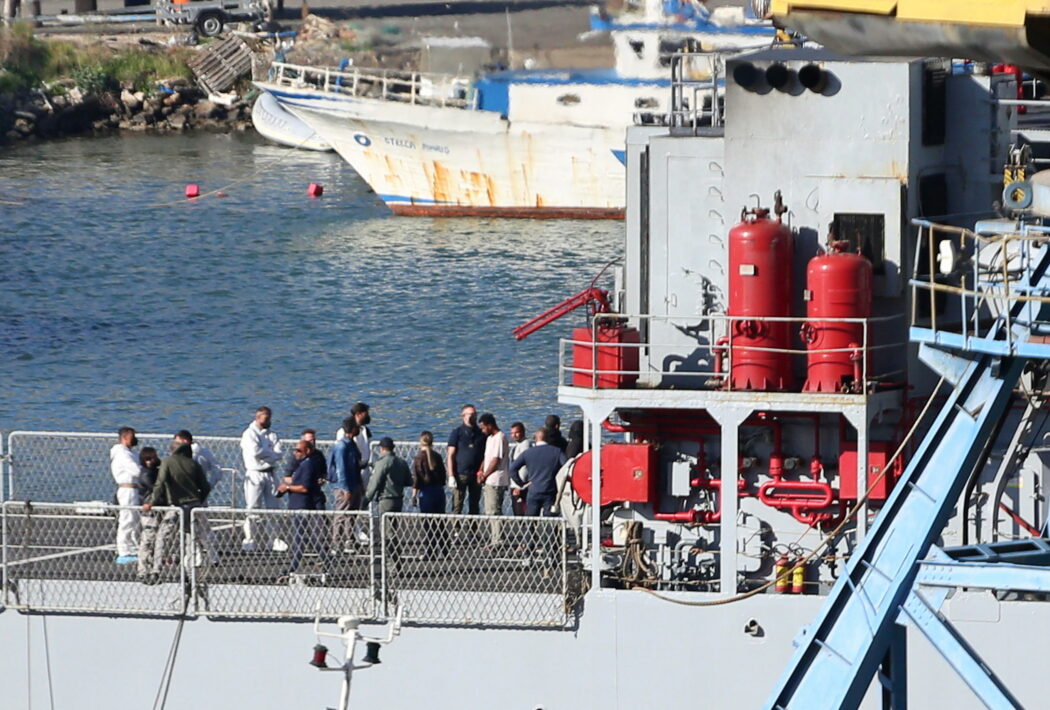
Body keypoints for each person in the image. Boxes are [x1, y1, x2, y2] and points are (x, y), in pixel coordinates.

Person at [143, 433, 212, 582]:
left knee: (163, 536)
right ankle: (188, 572)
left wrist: (152, 502)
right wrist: (199, 499)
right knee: (189, 537)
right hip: (193, 505)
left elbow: (159, 484)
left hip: (176, 505)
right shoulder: (194, 464)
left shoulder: (167, 462)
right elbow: (205, 487)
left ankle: (156, 570)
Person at [279, 439, 329, 578]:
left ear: (307, 451)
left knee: (301, 538)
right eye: (295, 450)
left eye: (299, 450)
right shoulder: (302, 464)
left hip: (302, 505)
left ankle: (294, 567)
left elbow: (304, 487)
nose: (295, 453)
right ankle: (322, 563)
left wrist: (287, 487)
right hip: (299, 505)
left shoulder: (308, 465)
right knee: (303, 538)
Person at [240, 406, 285, 552]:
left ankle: (274, 539)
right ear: (258, 417)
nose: (268, 421)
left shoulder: (272, 435)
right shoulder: (249, 434)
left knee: (274, 507)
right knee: (252, 507)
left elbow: (279, 453)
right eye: (266, 419)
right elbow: (255, 452)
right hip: (254, 473)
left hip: (271, 473)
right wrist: (271, 455)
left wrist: (269, 455)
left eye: (269, 418)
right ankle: (249, 539)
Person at [510, 427, 567, 518]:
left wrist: (521, 484)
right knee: (550, 520)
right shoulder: (556, 452)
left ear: (536, 439)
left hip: (533, 490)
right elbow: (567, 467)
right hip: (550, 490)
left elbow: (513, 469)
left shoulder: (528, 453)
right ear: (548, 438)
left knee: (530, 519)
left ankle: (531, 531)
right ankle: (550, 532)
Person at [328, 417, 363, 551]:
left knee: (352, 513)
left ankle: (349, 540)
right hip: (344, 486)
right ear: (353, 429)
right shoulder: (342, 446)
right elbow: (341, 469)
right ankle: (336, 542)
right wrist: (345, 488)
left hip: (354, 483)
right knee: (341, 513)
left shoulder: (351, 444)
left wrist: (359, 484)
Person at [110, 426, 143, 564]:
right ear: (124, 438)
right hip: (127, 489)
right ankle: (123, 550)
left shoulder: (131, 453)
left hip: (135, 489)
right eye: (132, 437)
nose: (134, 439)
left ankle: (134, 547)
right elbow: (136, 471)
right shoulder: (122, 454)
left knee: (135, 520)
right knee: (127, 519)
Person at [447, 404, 486, 514]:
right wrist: (450, 475)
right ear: (463, 415)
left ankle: (472, 530)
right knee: (457, 504)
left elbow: (485, 454)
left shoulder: (481, 434)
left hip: (476, 474)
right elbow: (450, 455)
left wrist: (482, 470)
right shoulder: (457, 432)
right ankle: (456, 530)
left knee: (474, 505)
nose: (473, 417)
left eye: (475, 414)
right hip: (460, 474)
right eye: (471, 414)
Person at [477, 413, 510, 545]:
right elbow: (487, 458)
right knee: (489, 510)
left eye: (483, 427)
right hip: (489, 479)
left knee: (494, 509)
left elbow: (496, 460)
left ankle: (497, 539)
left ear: (490, 425)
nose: (482, 430)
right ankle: (494, 537)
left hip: (496, 479)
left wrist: (485, 475)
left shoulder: (499, 438)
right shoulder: (490, 438)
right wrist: (480, 470)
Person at [364, 437, 412, 515]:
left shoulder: (382, 463)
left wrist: (365, 501)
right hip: (399, 500)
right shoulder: (402, 462)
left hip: (386, 500)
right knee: (395, 525)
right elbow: (409, 481)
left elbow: (375, 483)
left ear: (382, 448)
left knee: (385, 525)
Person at [135, 447, 162, 580]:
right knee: (148, 538)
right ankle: (143, 569)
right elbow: (155, 489)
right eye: (147, 459)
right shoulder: (146, 474)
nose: (150, 461)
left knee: (152, 538)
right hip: (148, 509)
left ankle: (148, 567)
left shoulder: (153, 471)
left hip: (154, 508)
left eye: (152, 458)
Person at [335, 402, 372, 496]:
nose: (368, 416)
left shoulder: (365, 430)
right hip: (351, 473)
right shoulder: (343, 431)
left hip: (364, 471)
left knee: (362, 502)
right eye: (366, 413)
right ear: (358, 414)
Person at [411, 431, 446, 514]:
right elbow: (443, 476)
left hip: (425, 492)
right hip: (439, 491)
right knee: (440, 521)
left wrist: (414, 496)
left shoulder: (418, 458)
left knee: (427, 522)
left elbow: (416, 479)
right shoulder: (438, 456)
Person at [509, 422, 532, 516]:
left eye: (516, 432)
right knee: (516, 511)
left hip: (520, 485)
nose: (514, 435)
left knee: (520, 513)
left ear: (523, 432)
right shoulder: (517, 445)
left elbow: (523, 467)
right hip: (515, 483)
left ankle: (525, 530)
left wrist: (520, 486)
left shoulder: (525, 445)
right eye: (512, 433)